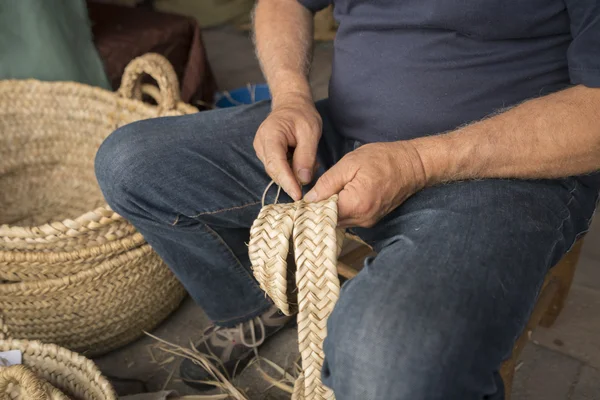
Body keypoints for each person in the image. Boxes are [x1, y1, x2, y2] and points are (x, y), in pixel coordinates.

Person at [95, 0, 600, 398]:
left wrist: (419, 162)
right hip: (340, 135)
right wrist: (291, 96)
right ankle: (258, 306)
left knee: (390, 353)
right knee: (131, 163)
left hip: (498, 172)